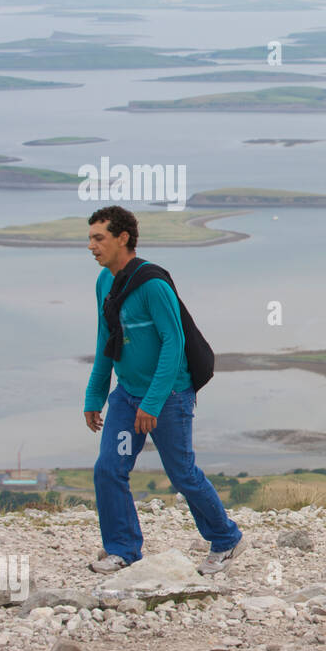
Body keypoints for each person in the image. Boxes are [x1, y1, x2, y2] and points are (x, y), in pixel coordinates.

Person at [83, 205, 245, 575]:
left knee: (182, 474)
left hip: (169, 397)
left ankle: (226, 538)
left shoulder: (153, 285)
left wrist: (153, 402)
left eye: (98, 238)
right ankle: (123, 549)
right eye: (90, 238)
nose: (91, 246)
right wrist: (95, 395)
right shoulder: (103, 283)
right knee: (109, 467)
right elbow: (104, 341)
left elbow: (174, 344)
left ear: (123, 238)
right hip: (126, 396)